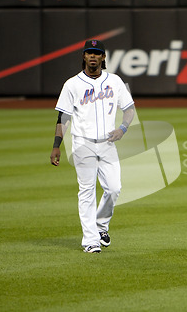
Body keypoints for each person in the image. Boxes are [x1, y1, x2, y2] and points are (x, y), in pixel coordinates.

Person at [50, 39, 135, 253]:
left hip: (107, 144)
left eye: (97, 53)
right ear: (84, 56)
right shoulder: (72, 84)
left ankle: (100, 225)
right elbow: (64, 117)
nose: (93, 56)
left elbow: (129, 109)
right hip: (82, 144)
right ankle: (90, 241)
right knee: (87, 192)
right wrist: (56, 145)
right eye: (89, 52)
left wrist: (123, 129)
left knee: (114, 188)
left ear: (104, 57)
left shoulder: (114, 81)